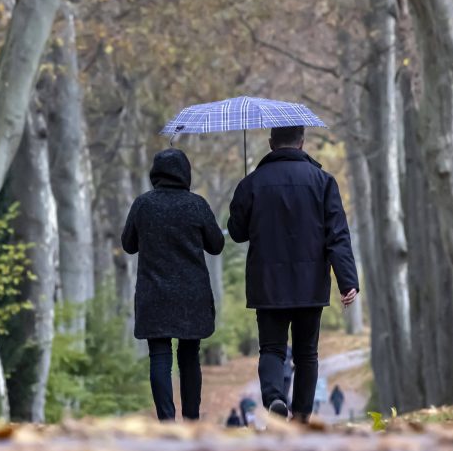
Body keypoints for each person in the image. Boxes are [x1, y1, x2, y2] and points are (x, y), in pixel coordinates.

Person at [228, 125, 359, 421]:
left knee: (272, 348)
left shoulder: (253, 183)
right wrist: (347, 280)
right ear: (302, 143)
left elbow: (236, 232)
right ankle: (301, 417)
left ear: (272, 143)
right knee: (306, 354)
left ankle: (275, 398)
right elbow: (337, 235)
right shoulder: (323, 181)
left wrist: (244, 197)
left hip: (267, 282)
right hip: (310, 283)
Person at [122, 148, 225, 421]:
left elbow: (128, 245)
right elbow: (217, 245)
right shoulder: (196, 204)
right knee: (190, 355)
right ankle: (191, 421)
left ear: (156, 173)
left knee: (159, 355)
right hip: (192, 294)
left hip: (154, 292)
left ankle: (166, 421)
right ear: (185, 173)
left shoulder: (143, 204)